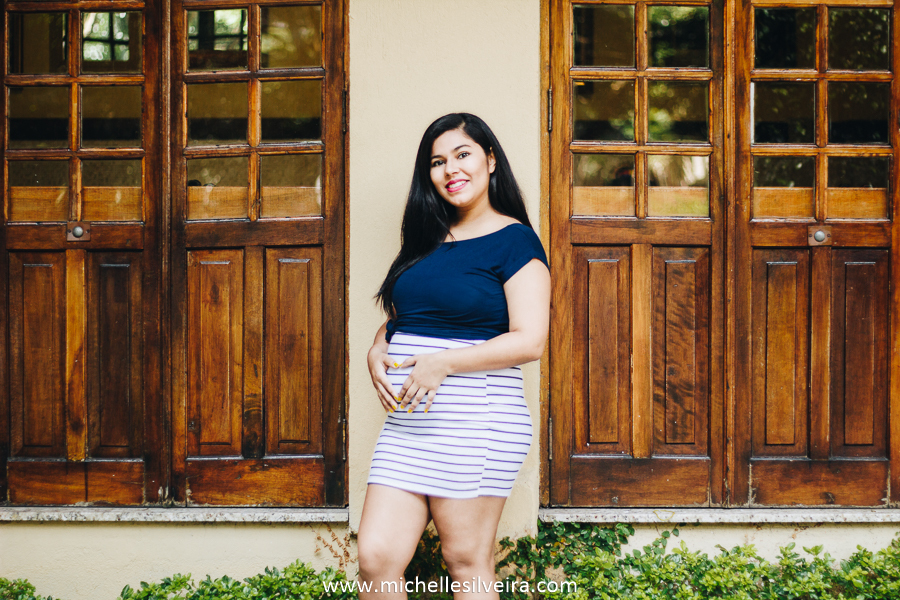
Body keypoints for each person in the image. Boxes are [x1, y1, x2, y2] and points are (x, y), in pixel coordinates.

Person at [357, 113, 551, 600]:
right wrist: (379, 345)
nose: (450, 170)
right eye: (437, 162)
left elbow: (530, 340)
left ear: (489, 159)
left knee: (465, 561)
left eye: (462, 155)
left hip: (477, 419)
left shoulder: (516, 241)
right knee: (376, 559)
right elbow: (408, 315)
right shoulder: (426, 240)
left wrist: (443, 362)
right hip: (409, 425)